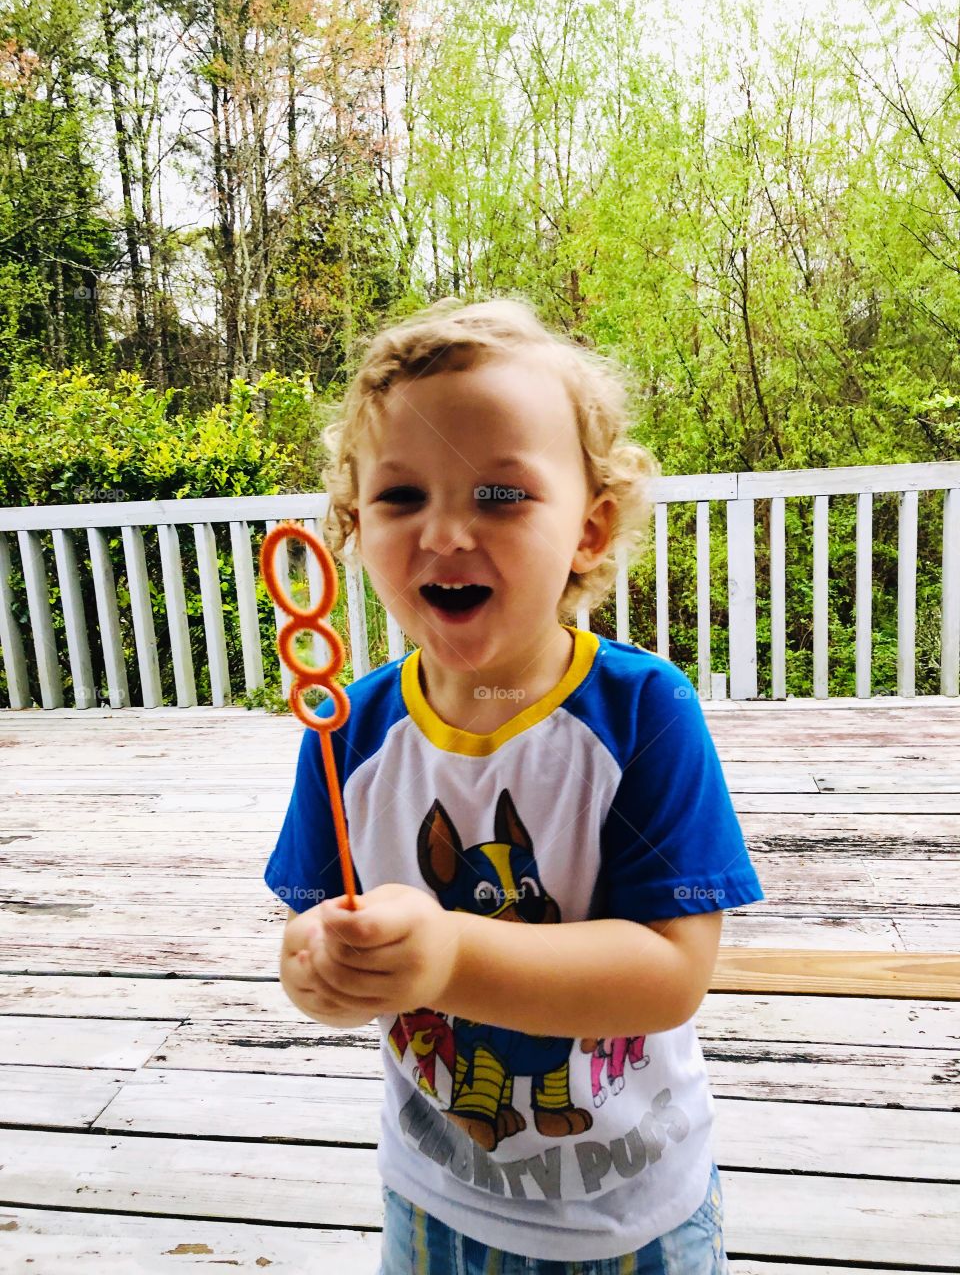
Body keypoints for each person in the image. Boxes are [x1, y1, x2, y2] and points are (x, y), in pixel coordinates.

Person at [263, 296, 765, 1274]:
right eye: (402, 498)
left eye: (500, 494)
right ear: (355, 526)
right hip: (433, 1197)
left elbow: (671, 972)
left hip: (632, 1214)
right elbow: (320, 924)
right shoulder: (350, 733)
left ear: (590, 525)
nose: (447, 531)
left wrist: (447, 952)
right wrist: (314, 964)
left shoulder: (641, 713)